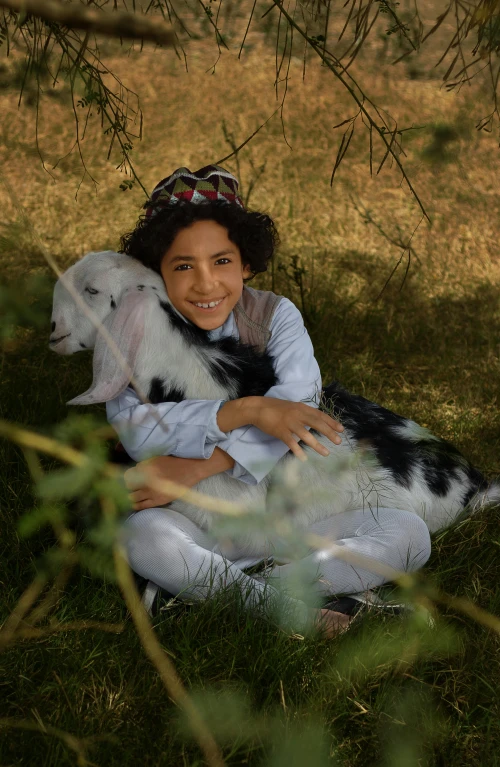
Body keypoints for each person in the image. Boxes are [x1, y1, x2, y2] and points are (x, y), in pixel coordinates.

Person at [109, 165, 431, 636]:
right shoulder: (132, 336)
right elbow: (137, 427)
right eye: (183, 266)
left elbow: (299, 407)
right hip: (196, 521)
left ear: (246, 264)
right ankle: (296, 606)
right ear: (155, 274)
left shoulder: (275, 316)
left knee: (408, 534)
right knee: (142, 538)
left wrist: (199, 465)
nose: (205, 284)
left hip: (285, 520)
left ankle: (221, 594)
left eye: (221, 262)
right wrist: (245, 409)